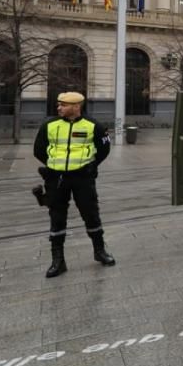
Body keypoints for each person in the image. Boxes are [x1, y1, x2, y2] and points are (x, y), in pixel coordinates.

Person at [33, 92, 114, 278]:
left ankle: (99, 251)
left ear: (76, 106)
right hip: (56, 179)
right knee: (57, 217)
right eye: (58, 104)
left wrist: (91, 165)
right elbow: (38, 150)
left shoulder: (94, 126)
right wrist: (55, 166)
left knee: (91, 213)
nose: (58, 108)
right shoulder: (49, 125)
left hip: (82, 179)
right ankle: (58, 261)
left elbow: (104, 148)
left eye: (63, 105)